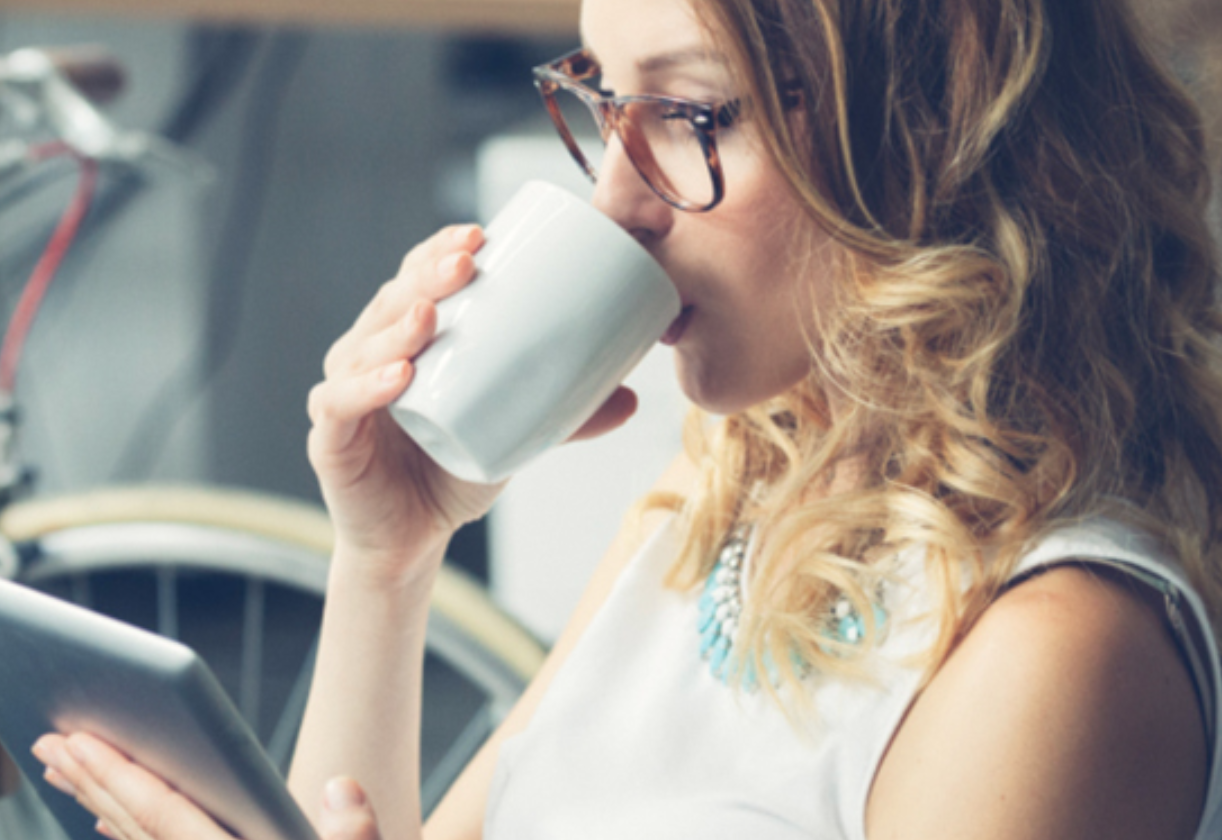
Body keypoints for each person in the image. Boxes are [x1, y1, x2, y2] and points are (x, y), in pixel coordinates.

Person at [29, 0, 1222, 837]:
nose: (615, 196)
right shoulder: (721, 494)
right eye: (604, 99)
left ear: (935, 138)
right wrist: (388, 558)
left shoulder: (1057, 652)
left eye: (692, 115)